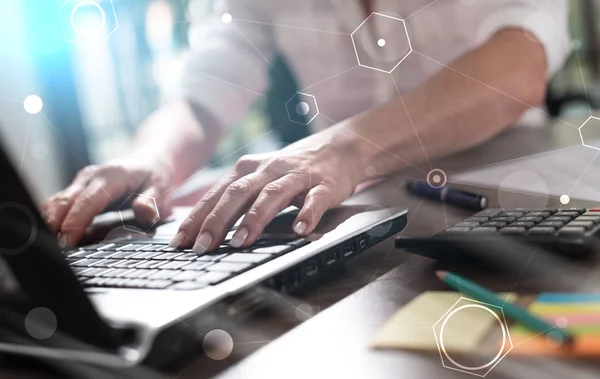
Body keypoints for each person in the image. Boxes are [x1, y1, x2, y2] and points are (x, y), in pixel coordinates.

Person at [42, 0, 570, 255]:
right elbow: (204, 95)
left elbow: (520, 63)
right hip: (353, 221)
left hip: (511, 204)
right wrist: (153, 158)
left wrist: (342, 149)